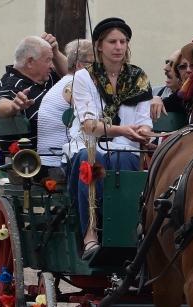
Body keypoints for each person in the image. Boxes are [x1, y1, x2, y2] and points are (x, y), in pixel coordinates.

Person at [69, 17, 153, 259]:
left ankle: (126, 230)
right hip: (89, 143)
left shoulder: (138, 78)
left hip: (127, 145)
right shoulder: (85, 78)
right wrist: (124, 130)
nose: (118, 46)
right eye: (112, 41)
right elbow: (88, 125)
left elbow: (144, 120)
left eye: (123, 41)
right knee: (90, 159)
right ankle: (90, 233)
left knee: (126, 156)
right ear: (99, 46)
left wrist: (144, 133)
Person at [0, 33, 68, 152]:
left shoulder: (45, 77)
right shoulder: (12, 83)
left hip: (57, 155)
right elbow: (1, 106)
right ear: (30, 62)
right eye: (48, 60)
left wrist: (55, 53)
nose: (52, 66)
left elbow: (77, 78)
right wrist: (13, 107)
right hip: (32, 163)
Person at [36, 39, 94, 177]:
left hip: (48, 161)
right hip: (57, 164)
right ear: (80, 65)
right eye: (95, 64)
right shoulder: (75, 85)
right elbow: (93, 119)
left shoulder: (64, 82)